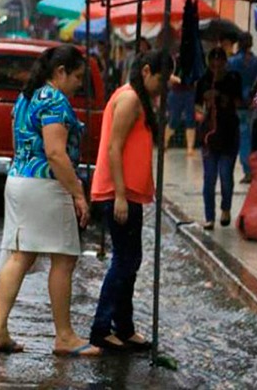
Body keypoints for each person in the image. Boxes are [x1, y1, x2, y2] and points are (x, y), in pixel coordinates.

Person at [0, 44, 99, 357]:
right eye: (77, 76)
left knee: (20, 254)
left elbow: (18, 142)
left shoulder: (26, 97)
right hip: (46, 184)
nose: (80, 84)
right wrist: (78, 192)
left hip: (19, 178)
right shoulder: (53, 100)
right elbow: (54, 152)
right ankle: (64, 336)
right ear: (60, 72)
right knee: (64, 258)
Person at [89, 50, 168, 352]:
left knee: (130, 260)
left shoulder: (139, 98)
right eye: (160, 78)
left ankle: (124, 327)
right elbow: (114, 147)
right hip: (119, 193)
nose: (162, 86)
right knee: (124, 261)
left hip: (130, 192)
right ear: (146, 71)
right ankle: (101, 327)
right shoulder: (130, 99)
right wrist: (120, 194)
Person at [196, 47, 242, 230]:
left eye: (220, 60)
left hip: (229, 134)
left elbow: (239, 102)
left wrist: (223, 98)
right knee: (209, 178)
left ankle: (226, 208)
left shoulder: (233, 79)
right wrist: (205, 104)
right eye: (213, 60)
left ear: (225, 62)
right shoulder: (203, 81)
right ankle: (209, 216)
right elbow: (197, 107)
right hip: (209, 136)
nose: (216, 65)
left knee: (226, 176)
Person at [227, 32, 257, 184]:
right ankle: (256, 168)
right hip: (254, 104)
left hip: (238, 104)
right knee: (255, 137)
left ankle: (248, 170)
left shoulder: (232, 62)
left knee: (244, 138)